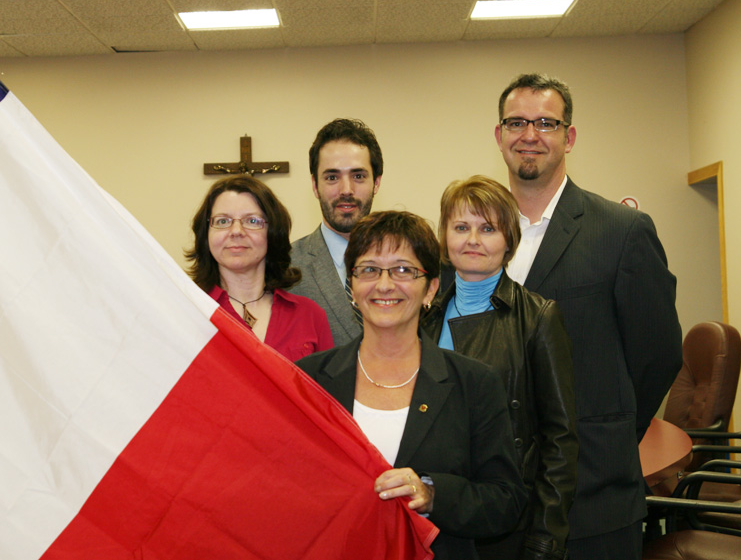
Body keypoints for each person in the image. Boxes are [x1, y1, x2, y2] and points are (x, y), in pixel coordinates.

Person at [494, 73, 682, 560]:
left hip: (594, 497)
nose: (529, 135)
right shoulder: (473, 238)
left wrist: (611, 431)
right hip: (500, 500)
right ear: (499, 135)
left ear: (569, 137)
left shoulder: (622, 231)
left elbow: (658, 355)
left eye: (546, 123)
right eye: (516, 122)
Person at [297, 211, 527, 560]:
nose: (385, 284)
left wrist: (433, 494)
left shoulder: (475, 384)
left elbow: (505, 502)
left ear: (431, 287)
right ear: (353, 286)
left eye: (403, 270)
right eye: (369, 269)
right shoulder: (309, 380)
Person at [422, 175, 577, 560]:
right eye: (461, 227)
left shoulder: (538, 317)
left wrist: (545, 539)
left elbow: (560, 440)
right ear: (445, 237)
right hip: (431, 515)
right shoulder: (422, 316)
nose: (472, 239)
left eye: (487, 228)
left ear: (509, 240)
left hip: (505, 522)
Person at [186, 175, 333, 362]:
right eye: (223, 221)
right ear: (205, 234)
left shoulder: (309, 315)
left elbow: (324, 390)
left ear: (272, 233)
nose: (236, 231)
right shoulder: (188, 312)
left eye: (252, 221)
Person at [289, 118, 383, 346]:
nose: (346, 190)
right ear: (314, 186)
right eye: (332, 177)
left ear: (377, 183)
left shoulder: (409, 264)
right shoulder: (285, 267)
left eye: (358, 176)